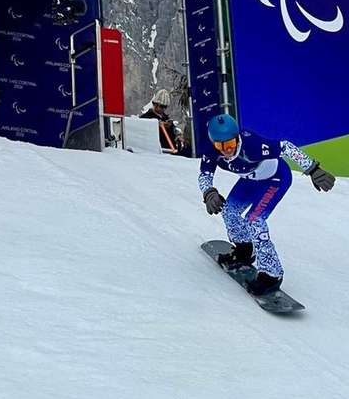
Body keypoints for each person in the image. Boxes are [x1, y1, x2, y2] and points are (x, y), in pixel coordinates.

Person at [199, 113, 335, 295]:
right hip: (250, 180)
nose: (226, 150)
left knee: (254, 221)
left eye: (230, 144)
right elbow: (204, 175)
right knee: (229, 211)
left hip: (275, 179)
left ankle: (272, 275)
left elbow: (285, 146)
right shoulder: (211, 151)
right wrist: (209, 192)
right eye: (220, 146)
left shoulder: (252, 145)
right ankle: (244, 251)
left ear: (237, 137)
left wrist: (313, 169)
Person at [140, 89, 189, 155]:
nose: (163, 109)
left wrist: (177, 135)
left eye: (165, 107)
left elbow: (173, 134)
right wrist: (158, 125)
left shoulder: (166, 119)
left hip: (171, 152)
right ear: (155, 104)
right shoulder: (145, 118)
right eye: (162, 106)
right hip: (157, 153)